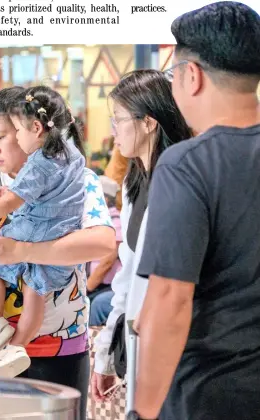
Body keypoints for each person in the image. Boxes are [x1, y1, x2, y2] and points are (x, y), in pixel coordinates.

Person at [0, 87, 116, 420]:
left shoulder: (77, 179)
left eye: (3, 135)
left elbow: (102, 243)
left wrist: (22, 250)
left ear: (29, 129)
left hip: (58, 345)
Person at [130, 3, 260, 420]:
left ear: (192, 75)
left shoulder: (189, 163)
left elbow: (170, 298)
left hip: (211, 392)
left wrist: (143, 412)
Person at [90, 70, 192, 403]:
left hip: (179, 354)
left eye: (118, 119)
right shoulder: (133, 186)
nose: (113, 131)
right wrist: (105, 355)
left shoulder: (182, 184)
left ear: (148, 122)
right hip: (137, 344)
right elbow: (128, 278)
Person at [87, 176, 122, 327]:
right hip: (95, 285)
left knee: (94, 305)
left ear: (105, 200)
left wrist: (87, 287)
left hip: (105, 286)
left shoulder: (116, 222)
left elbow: (107, 262)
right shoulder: (99, 222)